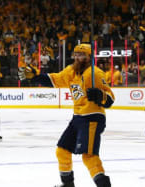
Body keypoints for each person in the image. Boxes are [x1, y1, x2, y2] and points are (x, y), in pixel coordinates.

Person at [20, 44, 114, 187]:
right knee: (62, 151)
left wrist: (99, 95)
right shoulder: (71, 71)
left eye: (81, 55)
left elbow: (110, 99)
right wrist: (36, 77)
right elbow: (55, 79)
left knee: (89, 157)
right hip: (77, 118)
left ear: (89, 57)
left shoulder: (95, 74)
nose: (77, 57)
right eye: (76, 54)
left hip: (92, 117)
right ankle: (68, 184)